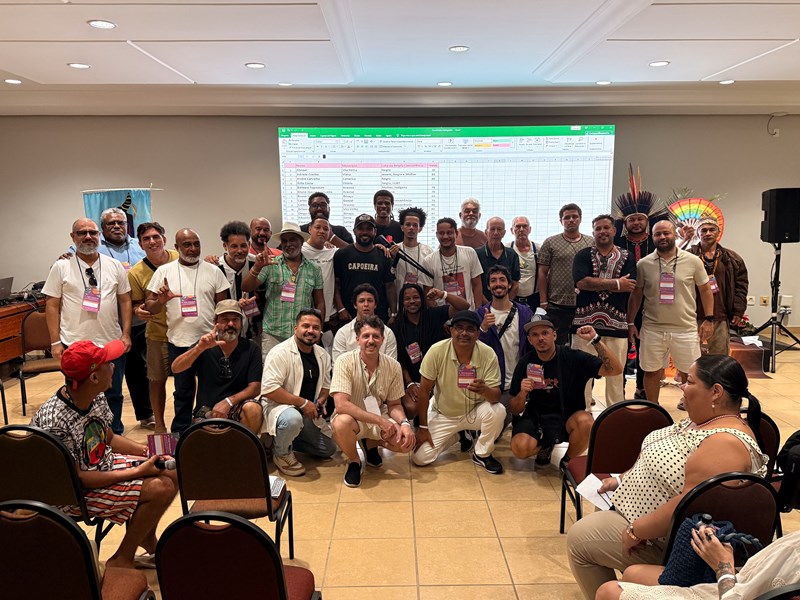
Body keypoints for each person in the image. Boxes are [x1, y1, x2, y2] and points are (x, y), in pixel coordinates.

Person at [566, 354, 769, 599]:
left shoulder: (725, 444)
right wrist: (621, 479)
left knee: (579, 540)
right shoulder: (705, 420)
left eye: (690, 382)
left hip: (666, 541)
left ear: (716, 392)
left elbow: (686, 504)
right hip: (637, 515)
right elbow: (660, 456)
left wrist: (636, 530)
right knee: (592, 526)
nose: (682, 386)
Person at [31, 340, 178, 570]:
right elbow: (78, 479)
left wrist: (149, 453)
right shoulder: (55, 420)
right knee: (161, 488)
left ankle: (146, 537)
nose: (113, 366)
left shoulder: (94, 395)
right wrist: (139, 471)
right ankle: (122, 559)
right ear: (94, 377)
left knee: (173, 470)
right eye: (107, 363)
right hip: (72, 494)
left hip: (101, 467)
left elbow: (108, 437)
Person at [43, 217, 133, 434]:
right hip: (75, 345)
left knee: (113, 393)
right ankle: (84, 437)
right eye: (82, 233)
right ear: (72, 237)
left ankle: (114, 435)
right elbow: (52, 305)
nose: (88, 237)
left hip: (110, 343)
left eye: (92, 232)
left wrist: (126, 334)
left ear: (99, 236)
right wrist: (55, 342)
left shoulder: (114, 266)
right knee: (79, 395)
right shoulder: (61, 267)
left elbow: (125, 300)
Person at [145, 228, 231, 433]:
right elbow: (150, 306)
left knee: (211, 389)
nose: (193, 249)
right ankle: (181, 432)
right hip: (179, 342)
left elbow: (223, 306)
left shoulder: (213, 271)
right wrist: (161, 300)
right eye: (187, 245)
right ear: (176, 247)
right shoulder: (164, 271)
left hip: (210, 342)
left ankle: (209, 428)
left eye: (196, 244)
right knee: (183, 391)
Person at [508, 315, 622, 468]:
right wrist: (522, 393)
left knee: (586, 422)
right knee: (520, 449)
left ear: (554, 335)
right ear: (529, 340)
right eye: (535, 335)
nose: (540, 338)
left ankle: (568, 460)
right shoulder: (525, 363)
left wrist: (595, 339)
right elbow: (515, 409)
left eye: (545, 333)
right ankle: (545, 445)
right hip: (537, 416)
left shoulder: (573, 357)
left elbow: (615, 369)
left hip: (568, 415)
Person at [627, 220, 714, 405]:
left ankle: (691, 408)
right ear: (652, 238)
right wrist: (631, 322)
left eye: (666, 233)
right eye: (658, 234)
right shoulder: (644, 264)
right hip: (653, 328)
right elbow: (636, 294)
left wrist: (708, 319)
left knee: (690, 373)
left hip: (685, 328)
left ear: (675, 234)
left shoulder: (693, 261)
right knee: (651, 371)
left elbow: (706, 290)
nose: (662, 237)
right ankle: (653, 408)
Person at [412, 310, 505, 474]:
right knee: (420, 458)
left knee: (498, 411)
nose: (464, 333)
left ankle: (482, 454)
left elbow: (496, 396)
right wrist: (423, 428)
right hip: (444, 413)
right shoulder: (436, 351)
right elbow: (424, 391)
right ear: (451, 330)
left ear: (478, 334)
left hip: (474, 411)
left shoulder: (488, 353)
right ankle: (457, 434)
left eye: (470, 329)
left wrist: (484, 390)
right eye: (459, 328)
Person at [596, 527, 800, 600]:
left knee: (608, 591)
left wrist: (723, 566)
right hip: (741, 583)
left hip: (734, 591)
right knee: (632, 573)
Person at [330, 316, 415, 488]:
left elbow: (394, 404)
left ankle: (370, 443)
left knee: (405, 445)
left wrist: (405, 423)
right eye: (366, 336)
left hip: (379, 414)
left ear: (382, 339)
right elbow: (341, 405)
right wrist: (381, 421)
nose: (371, 341)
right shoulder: (344, 361)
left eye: (376, 336)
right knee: (341, 423)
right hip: (352, 418)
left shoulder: (393, 366)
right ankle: (354, 461)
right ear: (357, 339)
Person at [260, 309, 337, 476]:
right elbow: (269, 389)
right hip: (282, 409)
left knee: (328, 449)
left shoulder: (323, 355)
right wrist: (302, 403)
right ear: (295, 328)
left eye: (316, 327)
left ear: (320, 331)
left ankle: (279, 440)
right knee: (292, 420)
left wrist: (320, 401)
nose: (311, 331)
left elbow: (326, 386)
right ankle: (282, 454)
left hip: (308, 412)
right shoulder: (279, 352)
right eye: (306, 326)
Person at [612, 179, 670, 401]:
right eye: (631, 219)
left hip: (651, 303)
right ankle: (619, 389)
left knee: (647, 348)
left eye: (640, 219)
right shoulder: (617, 243)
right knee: (622, 346)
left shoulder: (657, 243)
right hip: (622, 302)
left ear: (647, 221)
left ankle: (642, 388)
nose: (636, 223)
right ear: (624, 223)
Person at [571, 215, 637, 406]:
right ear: (593, 232)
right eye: (598, 228)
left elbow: (630, 285)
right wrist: (617, 283)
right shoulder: (583, 255)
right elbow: (581, 282)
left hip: (617, 325)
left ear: (614, 230)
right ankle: (580, 414)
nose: (602, 232)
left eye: (606, 228)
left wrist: (597, 283)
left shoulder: (627, 256)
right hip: (584, 325)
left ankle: (614, 415)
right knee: (582, 373)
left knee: (616, 375)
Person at [170, 299, 263, 434]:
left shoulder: (252, 348)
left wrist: (228, 402)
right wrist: (199, 348)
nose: (230, 324)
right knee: (205, 442)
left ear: (241, 323)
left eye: (235, 320)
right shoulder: (204, 345)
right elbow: (176, 368)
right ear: (215, 322)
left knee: (253, 409)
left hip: (237, 407)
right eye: (225, 319)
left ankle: (245, 447)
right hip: (207, 411)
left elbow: (255, 388)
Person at [242, 221, 325, 358]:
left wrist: (319, 330)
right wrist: (256, 267)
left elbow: (319, 302)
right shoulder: (270, 264)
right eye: (284, 241)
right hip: (273, 334)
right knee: (271, 370)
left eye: (292, 240)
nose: (288, 244)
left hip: (302, 334)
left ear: (301, 242)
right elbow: (246, 287)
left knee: (300, 370)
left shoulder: (314, 269)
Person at [127, 221, 178, 433]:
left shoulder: (179, 258)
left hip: (185, 331)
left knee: (186, 380)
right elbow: (135, 304)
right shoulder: (136, 273)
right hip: (158, 334)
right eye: (146, 239)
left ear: (164, 239)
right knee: (156, 380)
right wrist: (138, 310)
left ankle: (186, 420)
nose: (152, 241)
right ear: (140, 244)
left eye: (156, 237)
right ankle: (159, 425)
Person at [391, 283, 469, 419]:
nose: (412, 301)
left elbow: (464, 306)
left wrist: (442, 294)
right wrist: (409, 384)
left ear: (422, 299)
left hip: (442, 377)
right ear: (402, 302)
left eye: (416, 297)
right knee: (411, 407)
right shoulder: (397, 326)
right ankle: (415, 427)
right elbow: (399, 361)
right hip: (415, 379)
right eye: (407, 299)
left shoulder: (434, 314)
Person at [476, 265, 533, 426]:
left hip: (519, 382)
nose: (498, 284)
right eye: (493, 281)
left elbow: (531, 347)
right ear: (488, 286)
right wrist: (483, 329)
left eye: (502, 280)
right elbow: (475, 351)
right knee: (494, 428)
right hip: (494, 384)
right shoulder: (480, 314)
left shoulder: (524, 313)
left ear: (509, 285)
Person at [688, 217, 748, 356]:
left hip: (720, 315)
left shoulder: (733, 259)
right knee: (691, 358)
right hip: (692, 315)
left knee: (719, 358)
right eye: (704, 230)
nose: (708, 233)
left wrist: (738, 310)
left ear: (718, 232)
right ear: (698, 234)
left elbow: (741, 285)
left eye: (712, 230)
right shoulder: (688, 256)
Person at [538, 203, 595, 344]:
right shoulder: (550, 242)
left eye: (575, 217)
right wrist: (543, 301)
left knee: (582, 345)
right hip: (556, 305)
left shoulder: (591, 242)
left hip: (584, 304)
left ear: (580, 219)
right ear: (561, 221)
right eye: (567, 217)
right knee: (557, 346)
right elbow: (542, 272)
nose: (571, 220)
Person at [333, 213, 397, 323]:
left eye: (369, 229)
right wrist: (341, 309)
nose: (365, 232)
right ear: (354, 231)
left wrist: (393, 313)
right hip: (348, 315)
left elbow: (390, 286)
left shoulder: (383, 255)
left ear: (375, 231)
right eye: (361, 229)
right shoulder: (342, 255)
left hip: (378, 315)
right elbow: (336, 285)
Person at [421, 217, 484, 310]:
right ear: (436, 235)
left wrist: (477, 311)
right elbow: (428, 294)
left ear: (456, 233)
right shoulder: (428, 261)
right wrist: (437, 315)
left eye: (449, 233)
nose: (445, 237)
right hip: (443, 315)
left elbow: (477, 284)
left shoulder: (470, 252)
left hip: (468, 314)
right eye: (441, 233)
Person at [332, 284, 398, 361]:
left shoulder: (387, 333)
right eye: (361, 301)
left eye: (370, 301)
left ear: (375, 305)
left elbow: (391, 365)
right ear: (355, 305)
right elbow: (338, 365)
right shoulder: (343, 333)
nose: (366, 304)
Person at [302, 217, 338, 346]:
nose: (322, 231)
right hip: (304, 314)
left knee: (327, 355)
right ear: (309, 229)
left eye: (326, 229)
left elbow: (353, 250)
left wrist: (379, 247)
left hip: (329, 315)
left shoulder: (332, 251)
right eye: (318, 227)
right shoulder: (300, 251)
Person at [475, 216, 521, 303]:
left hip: (507, 305)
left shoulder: (512, 254)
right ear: (486, 232)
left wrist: (505, 304)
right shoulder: (476, 254)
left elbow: (515, 284)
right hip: (484, 305)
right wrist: (488, 306)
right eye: (492, 229)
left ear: (504, 233)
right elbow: (475, 285)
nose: (496, 233)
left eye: (499, 229)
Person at [391, 206, 433, 296]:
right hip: (399, 300)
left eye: (415, 225)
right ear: (402, 227)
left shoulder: (427, 251)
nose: (411, 228)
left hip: (421, 301)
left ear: (420, 228)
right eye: (408, 224)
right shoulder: (394, 249)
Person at [508, 216, 541, 311]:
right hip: (512, 298)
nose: (521, 230)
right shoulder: (507, 249)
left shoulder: (538, 249)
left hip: (533, 299)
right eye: (518, 226)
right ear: (512, 230)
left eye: (525, 226)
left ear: (530, 229)